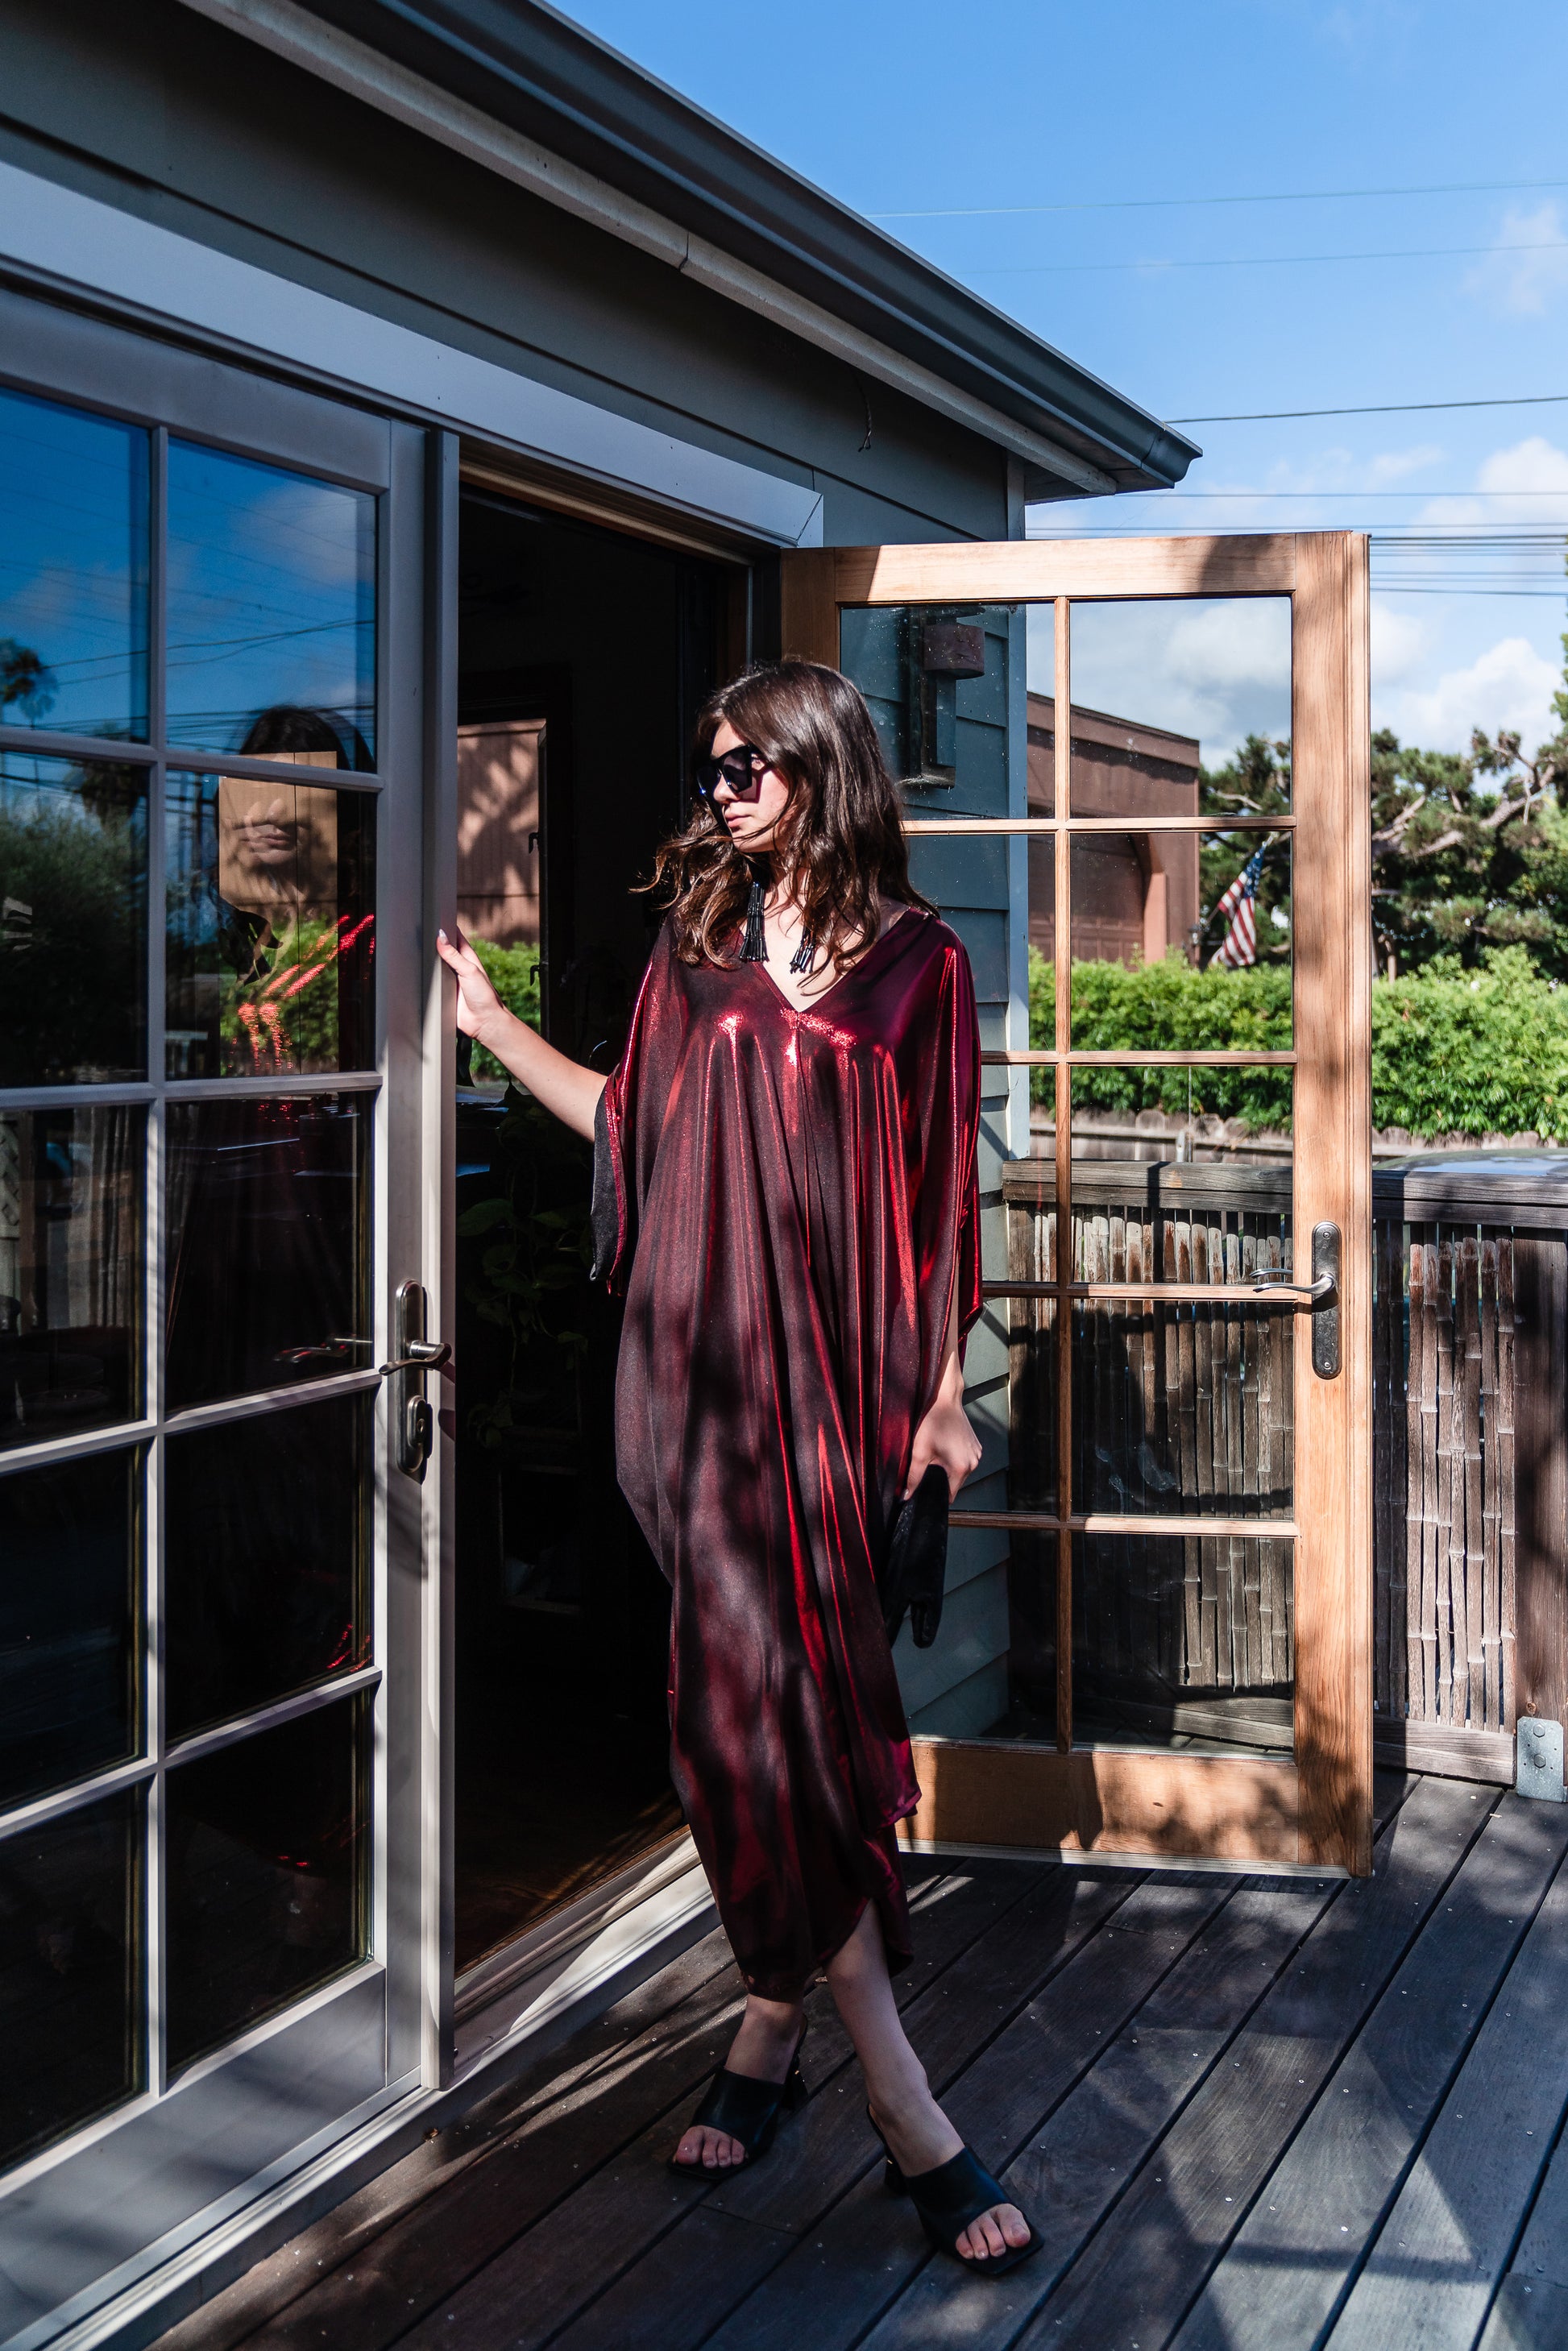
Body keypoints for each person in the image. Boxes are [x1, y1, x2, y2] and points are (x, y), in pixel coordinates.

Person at [437, 661, 1038, 2274]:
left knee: (809, 1722)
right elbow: (626, 1128)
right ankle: (907, 2102)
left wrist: (939, 1397)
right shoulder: (693, 957)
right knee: (740, 1715)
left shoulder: (922, 968)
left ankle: (767, 2030)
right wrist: (492, 1027)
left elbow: (937, 1211)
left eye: (748, 764)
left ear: (818, 768)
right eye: (709, 768)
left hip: (839, 1411)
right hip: (698, 1400)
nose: (721, 790)